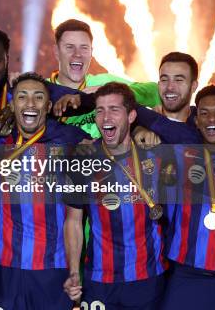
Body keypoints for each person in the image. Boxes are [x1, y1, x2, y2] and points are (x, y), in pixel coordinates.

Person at [0, 72, 90, 310]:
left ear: (48, 106)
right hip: (5, 266)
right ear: (12, 105)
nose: (30, 104)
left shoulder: (70, 142)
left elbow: (108, 142)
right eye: (22, 97)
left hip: (53, 267)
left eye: (38, 97)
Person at [63, 83, 167, 309]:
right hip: (99, 280)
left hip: (148, 278)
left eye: (114, 109)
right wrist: (73, 272)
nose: (105, 117)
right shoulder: (83, 160)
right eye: (99, 110)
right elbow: (73, 221)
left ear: (131, 116)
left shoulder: (156, 156)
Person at [134, 85, 215, 309]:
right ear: (196, 120)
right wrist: (137, 130)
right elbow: (132, 123)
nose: (212, 118)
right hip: (185, 275)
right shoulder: (176, 155)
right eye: (204, 113)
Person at [50, 19, 160, 138]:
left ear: (91, 52)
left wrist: (112, 92)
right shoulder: (40, 90)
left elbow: (155, 91)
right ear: (56, 51)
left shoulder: (105, 82)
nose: (77, 54)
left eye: (84, 48)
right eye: (70, 47)